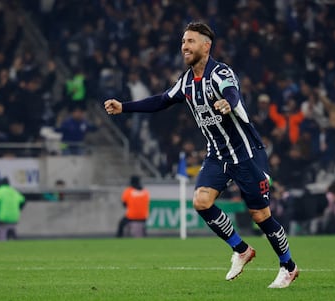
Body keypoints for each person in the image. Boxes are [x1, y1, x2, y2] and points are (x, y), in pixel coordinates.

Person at [105, 22, 298, 288]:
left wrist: (227, 102)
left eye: (191, 41)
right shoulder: (186, 81)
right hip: (217, 156)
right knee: (201, 202)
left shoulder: (221, 73)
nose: (185, 46)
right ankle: (241, 250)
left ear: (206, 46)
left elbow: (232, 91)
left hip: (245, 155)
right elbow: (161, 100)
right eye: (183, 41)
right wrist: (124, 107)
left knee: (261, 216)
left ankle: (288, 266)